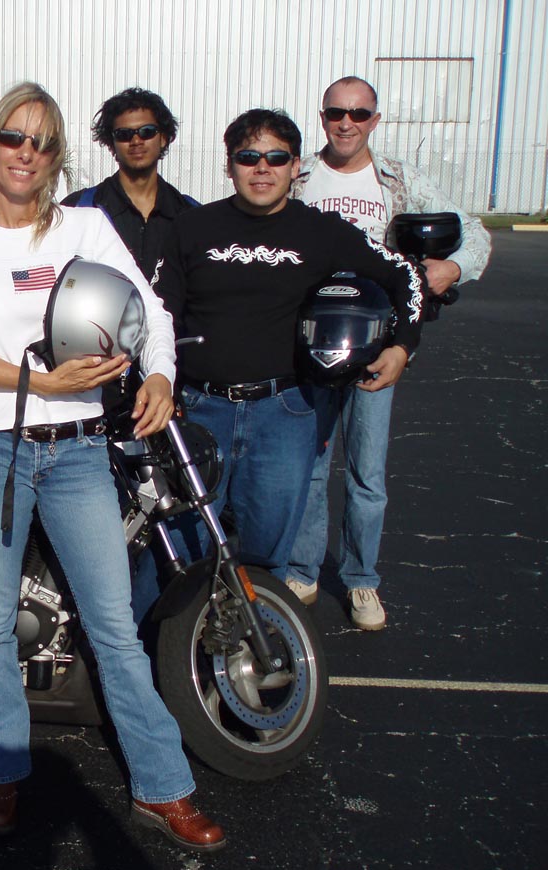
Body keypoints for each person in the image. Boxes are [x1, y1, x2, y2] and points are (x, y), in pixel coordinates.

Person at [0, 82, 225, 850]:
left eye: (43, 142)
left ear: (57, 157)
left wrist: (160, 376)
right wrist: (40, 383)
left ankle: (163, 786)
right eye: (13, 137)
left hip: (80, 450)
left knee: (114, 626)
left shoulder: (84, 227)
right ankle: (2, 772)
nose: (26, 153)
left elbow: (148, 311)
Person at [133, 108, 426, 625]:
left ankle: (244, 649)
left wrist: (401, 347)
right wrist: (161, 382)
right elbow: (157, 312)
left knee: (266, 554)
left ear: (295, 166)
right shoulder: (191, 228)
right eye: (249, 157)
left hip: (284, 414)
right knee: (182, 546)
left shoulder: (323, 231)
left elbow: (405, 276)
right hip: (198, 412)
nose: (262, 168)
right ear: (229, 166)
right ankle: (167, 652)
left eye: (276, 157)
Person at [286, 76, 492, 630]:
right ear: (322, 116)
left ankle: (361, 579)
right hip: (310, 347)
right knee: (307, 468)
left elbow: (473, 232)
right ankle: (302, 570)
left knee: (366, 474)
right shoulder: (299, 177)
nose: (346, 123)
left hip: (381, 349)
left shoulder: (399, 179)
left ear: (375, 120)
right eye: (336, 112)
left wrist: (452, 268)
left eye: (359, 114)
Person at [62, 88, 196, 280]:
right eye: (123, 134)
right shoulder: (79, 206)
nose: (136, 141)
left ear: (163, 138)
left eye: (147, 132)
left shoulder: (190, 213)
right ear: (111, 144)